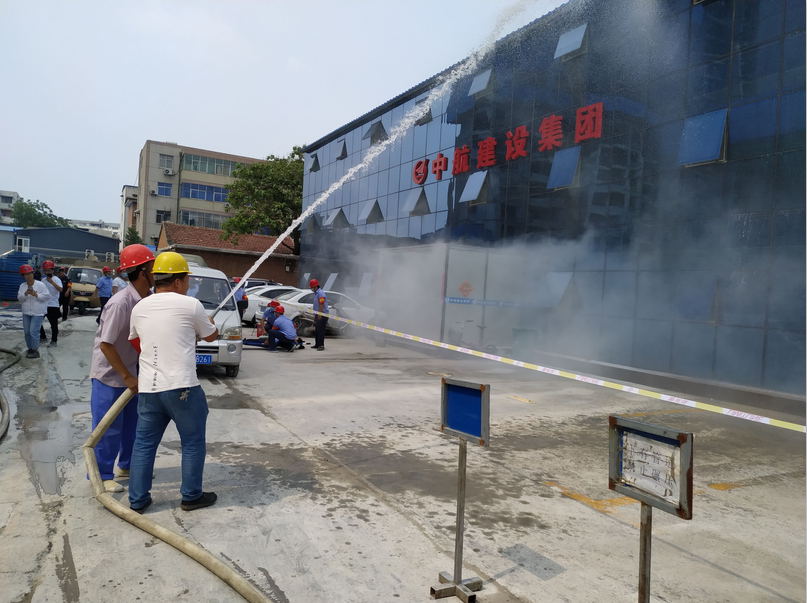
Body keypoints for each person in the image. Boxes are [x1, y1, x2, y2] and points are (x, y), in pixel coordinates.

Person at [127, 251, 218, 514]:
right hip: (182, 387)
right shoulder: (191, 305)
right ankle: (191, 496)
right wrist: (208, 325)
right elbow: (212, 336)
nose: (188, 284)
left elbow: (137, 341)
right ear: (178, 281)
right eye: (187, 279)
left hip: (149, 388)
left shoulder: (140, 307)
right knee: (192, 442)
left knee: (144, 444)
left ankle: (138, 500)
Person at [89, 244, 155, 493]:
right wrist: (126, 375)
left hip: (133, 372)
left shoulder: (147, 300)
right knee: (108, 428)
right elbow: (106, 344)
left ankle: (127, 466)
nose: (157, 272)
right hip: (110, 375)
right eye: (153, 267)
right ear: (142, 272)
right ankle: (102, 475)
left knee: (132, 425)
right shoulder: (120, 303)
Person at [17, 264, 50, 359]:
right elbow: (20, 299)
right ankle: (30, 348)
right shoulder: (22, 286)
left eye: (29, 274)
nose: (28, 276)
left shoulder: (40, 285)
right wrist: (25, 294)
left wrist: (36, 295)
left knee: (33, 332)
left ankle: (35, 350)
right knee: (27, 332)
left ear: (32, 273)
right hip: (26, 312)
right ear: (23, 276)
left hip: (38, 313)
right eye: (25, 274)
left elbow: (47, 297)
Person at [38, 260, 62, 347]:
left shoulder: (57, 279)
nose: (47, 272)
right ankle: (43, 337)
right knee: (38, 322)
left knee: (54, 325)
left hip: (53, 305)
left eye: (49, 270)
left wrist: (52, 282)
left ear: (52, 270)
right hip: (43, 305)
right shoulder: (43, 280)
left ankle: (54, 341)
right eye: (46, 270)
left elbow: (60, 289)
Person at [310, 278, 328, 351]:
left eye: (312, 287)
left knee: (320, 330)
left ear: (315, 286)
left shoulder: (321, 293)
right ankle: (317, 344)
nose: (311, 289)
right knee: (317, 330)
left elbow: (321, 304)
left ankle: (321, 345)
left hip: (322, 315)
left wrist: (320, 314)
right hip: (318, 314)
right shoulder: (316, 293)